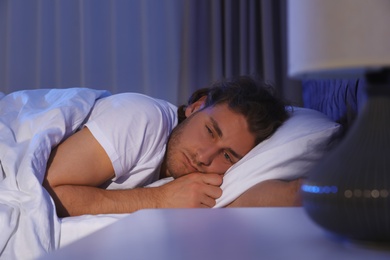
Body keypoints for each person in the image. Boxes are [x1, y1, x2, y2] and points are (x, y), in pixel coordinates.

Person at [43, 76, 300, 217]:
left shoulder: (197, 178)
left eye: (228, 155)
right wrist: (158, 199)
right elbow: (44, 190)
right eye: (210, 131)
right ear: (196, 107)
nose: (204, 156)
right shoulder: (143, 119)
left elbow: (256, 198)